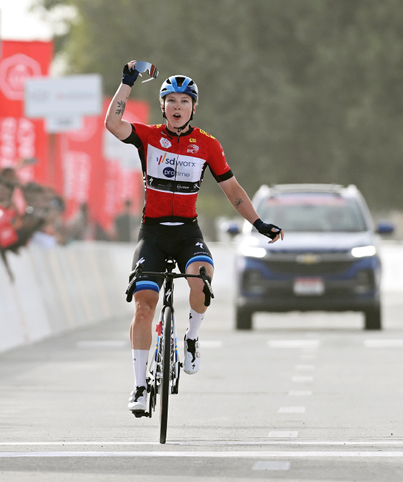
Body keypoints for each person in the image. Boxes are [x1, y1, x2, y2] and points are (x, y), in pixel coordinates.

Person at [105, 61, 284, 414]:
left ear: (194, 108)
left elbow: (232, 190)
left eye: (184, 101)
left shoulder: (207, 145)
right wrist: (127, 82)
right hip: (152, 232)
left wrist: (259, 223)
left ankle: (191, 338)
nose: (177, 107)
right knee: (143, 307)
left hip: (187, 232)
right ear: (163, 106)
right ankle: (140, 387)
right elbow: (112, 123)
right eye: (170, 100)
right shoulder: (149, 136)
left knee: (202, 277)